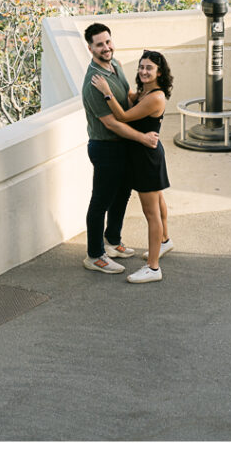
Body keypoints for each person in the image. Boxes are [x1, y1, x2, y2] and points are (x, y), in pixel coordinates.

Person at [81, 23, 160, 276]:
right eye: (100, 44)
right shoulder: (94, 82)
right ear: (90, 48)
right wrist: (142, 138)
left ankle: (112, 241)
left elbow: (126, 96)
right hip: (105, 147)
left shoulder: (115, 65)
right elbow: (113, 123)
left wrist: (152, 96)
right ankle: (95, 255)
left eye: (108, 41)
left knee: (122, 194)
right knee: (101, 201)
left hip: (122, 147)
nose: (106, 47)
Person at [91, 49, 173, 284]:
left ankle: (153, 267)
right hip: (146, 154)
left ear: (159, 72)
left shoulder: (156, 97)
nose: (144, 71)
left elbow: (124, 116)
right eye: (141, 66)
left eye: (149, 68)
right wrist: (118, 76)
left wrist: (107, 93)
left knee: (151, 212)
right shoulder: (145, 92)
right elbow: (130, 98)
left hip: (146, 157)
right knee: (158, 201)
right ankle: (165, 241)